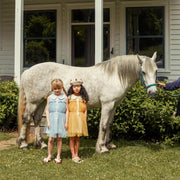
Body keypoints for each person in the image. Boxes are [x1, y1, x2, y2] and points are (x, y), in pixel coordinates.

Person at [43, 79, 67, 164]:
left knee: (59, 138)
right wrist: (48, 121)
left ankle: (58, 156)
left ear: (62, 88)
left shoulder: (65, 98)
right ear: (52, 89)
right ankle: (49, 155)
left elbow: (67, 111)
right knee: (50, 139)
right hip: (52, 119)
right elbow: (47, 110)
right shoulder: (50, 98)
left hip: (61, 119)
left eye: (59, 88)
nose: (57, 90)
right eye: (55, 89)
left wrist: (66, 122)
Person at [65, 78, 89, 163]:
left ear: (81, 87)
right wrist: (66, 121)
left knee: (78, 138)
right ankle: (73, 155)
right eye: (74, 86)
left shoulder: (83, 98)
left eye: (78, 86)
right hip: (72, 118)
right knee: (72, 138)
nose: (76, 88)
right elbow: (67, 110)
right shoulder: (69, 97)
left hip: (80, 119)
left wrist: (84, 120)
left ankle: (76, 153)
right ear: (72, 87)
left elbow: (85, 110)